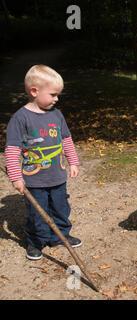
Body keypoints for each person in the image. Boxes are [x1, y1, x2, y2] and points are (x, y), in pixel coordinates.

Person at [5, 65, 81, 260]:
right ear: (34, 91)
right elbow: (12, 150)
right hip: (34, 179)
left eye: (58, 95)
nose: (57, 99)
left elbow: (66, 139)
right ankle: (36, 242)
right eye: (53, 94)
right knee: (37, 214)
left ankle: (60, 236)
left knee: (61, 207)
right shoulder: (20, 118)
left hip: (57, 176)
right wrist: (16, 177)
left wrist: (73, 162)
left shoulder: (56, 115)